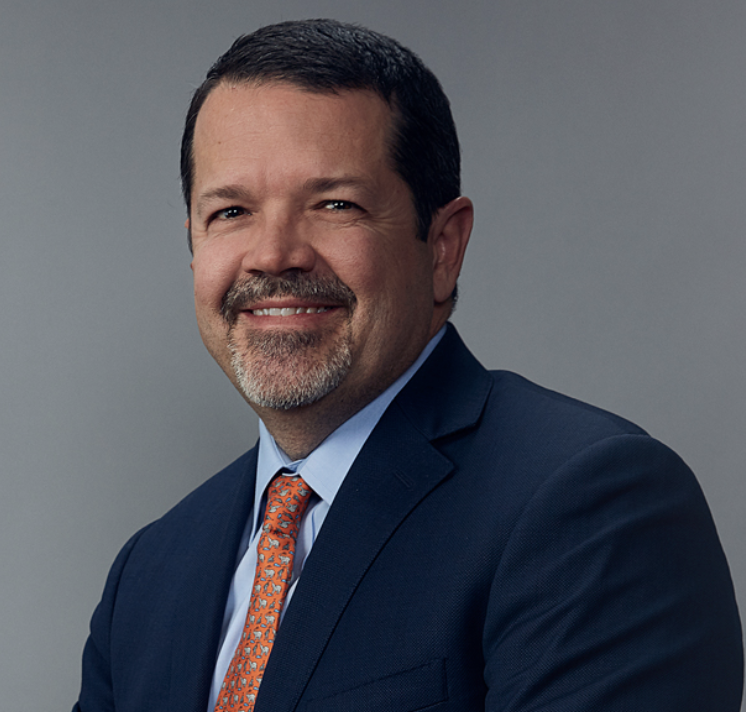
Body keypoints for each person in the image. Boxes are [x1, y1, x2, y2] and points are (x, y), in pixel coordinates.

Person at [73, 19, 743, 712]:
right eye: (232, 211)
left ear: (443, 246)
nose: (273, 255)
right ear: (195, 244)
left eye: (336, 204)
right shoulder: (150, 574)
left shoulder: (591, 505)